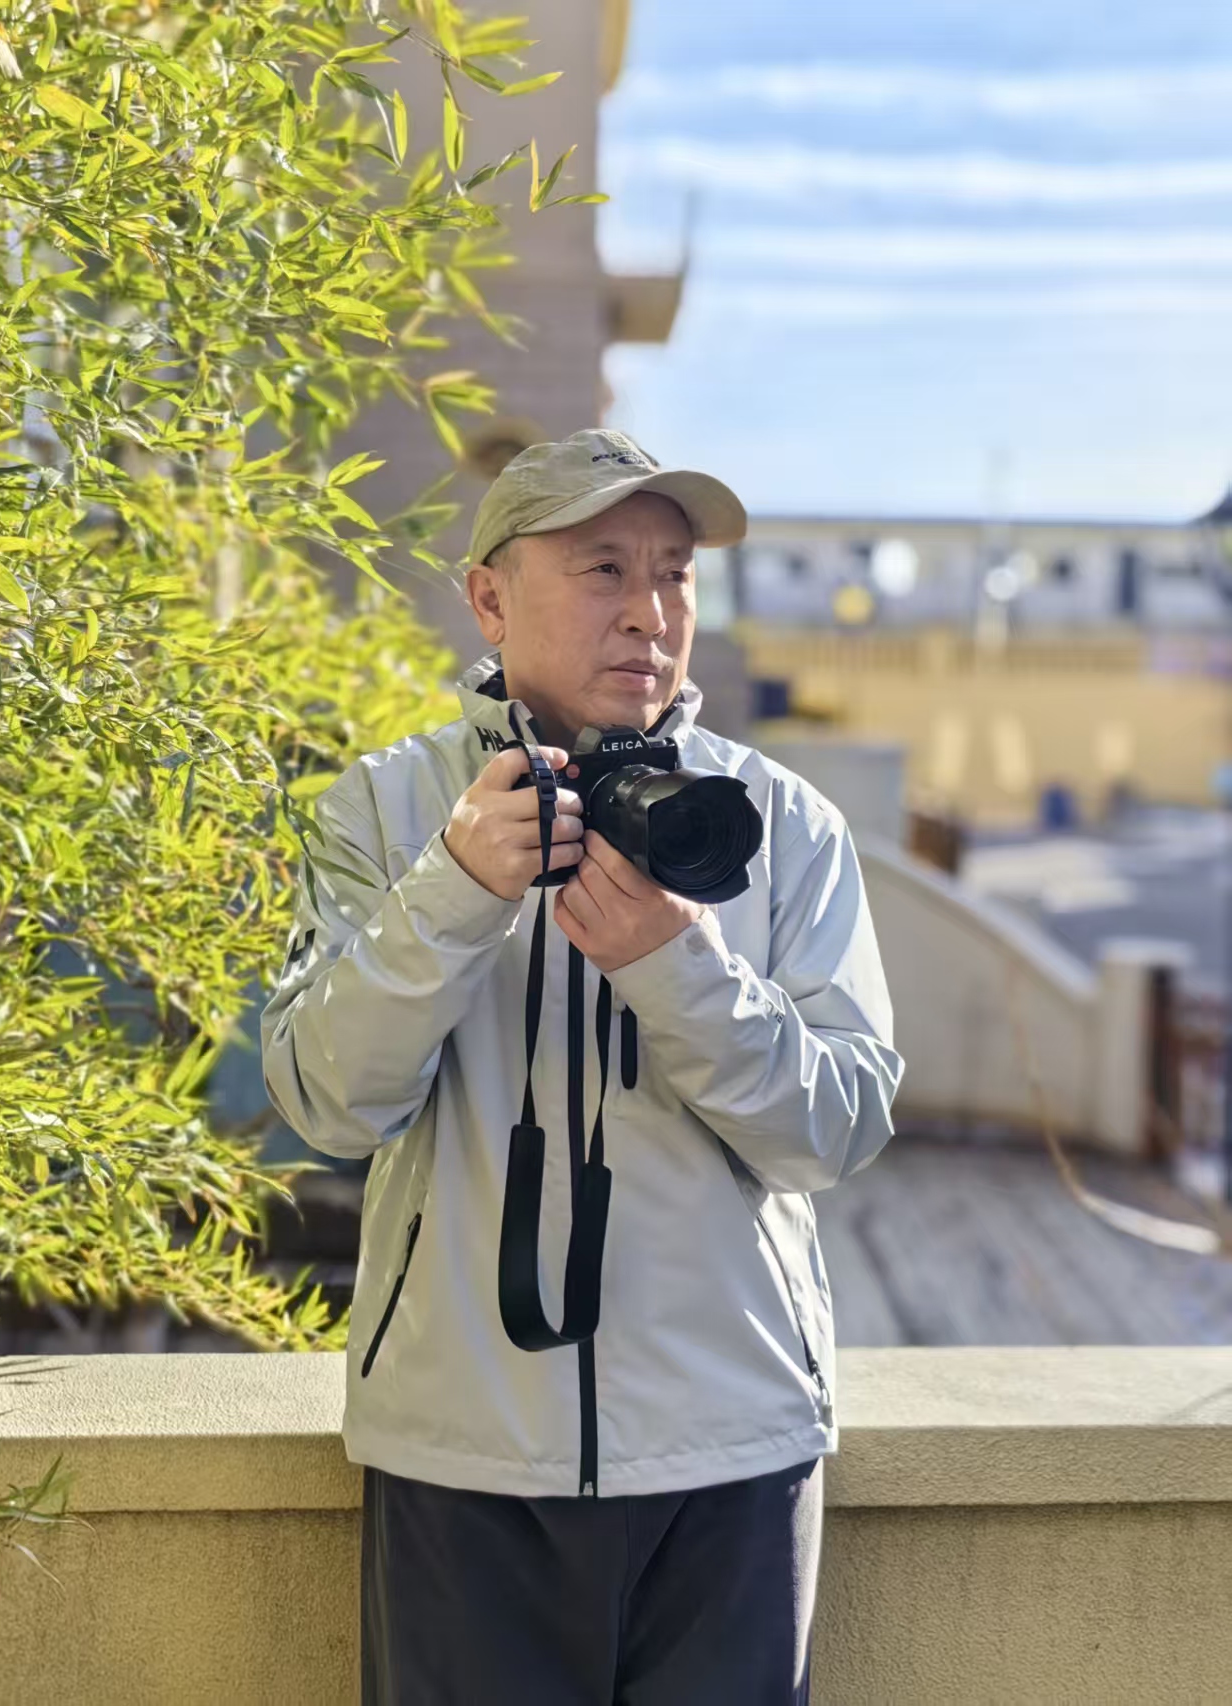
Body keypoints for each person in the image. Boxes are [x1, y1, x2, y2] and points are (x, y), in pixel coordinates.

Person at [260, 428, 905, 1704]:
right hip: (460, 1452)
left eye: (674, 573)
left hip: (734, 1449)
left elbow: (837, 1127)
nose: (649, 612)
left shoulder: (784, 824)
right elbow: (325, 1100)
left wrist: (680, 968)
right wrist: (454, 891)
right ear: (490, 598)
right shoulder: (381, 813)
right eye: (604, 567)